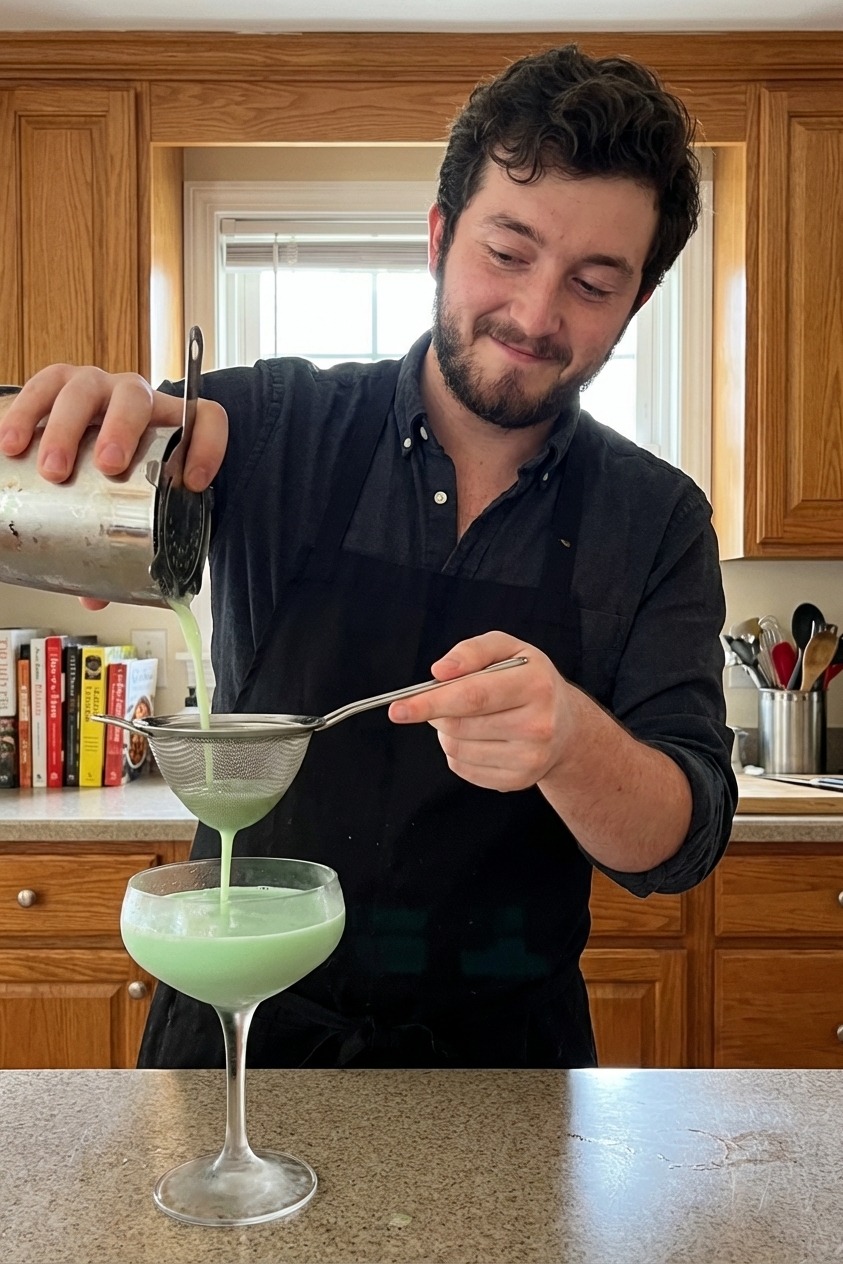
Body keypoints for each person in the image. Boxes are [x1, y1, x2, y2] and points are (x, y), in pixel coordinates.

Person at [0, 44, 736, 1069]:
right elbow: (88, 509)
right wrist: (79, 471)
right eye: (508, 253)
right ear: (438, 236)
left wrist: (571, 740)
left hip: (502, 1076)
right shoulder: (263, 425)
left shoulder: (657, 522)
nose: (534, 316)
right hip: (241, 1032)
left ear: (635, 301)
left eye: (593, 282)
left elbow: (682, 841)